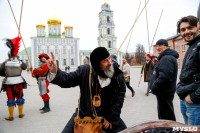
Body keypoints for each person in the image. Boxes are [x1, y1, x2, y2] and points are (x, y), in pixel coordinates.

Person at [46, 47, 127, 133]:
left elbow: (120, 96)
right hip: (84, 114)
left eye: (109, 59)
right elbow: (67, 80)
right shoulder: (84, 71)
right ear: (97, 64)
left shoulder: (117, 74)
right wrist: (55, 71)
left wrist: (111, 117)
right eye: (105, 61)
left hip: (108, 115)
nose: (109, 63)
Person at [176, 15, 200, 125]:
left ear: (198, 27)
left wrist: (194, 97)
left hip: (195, 102)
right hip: (186, 99)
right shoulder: (191, 46)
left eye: (190, 28)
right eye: (183, 29)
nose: (187, 32)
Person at [149, 39, 179, 121]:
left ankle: (169, 130)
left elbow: (164, 77)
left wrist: (154, 88)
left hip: (164, 93)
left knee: (166, 117)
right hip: (163, 93)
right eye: (157, 46)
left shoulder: (166, 58)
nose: (158, 47)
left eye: (160, 45)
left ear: (166, 46)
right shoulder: (164, 57)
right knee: (165, 115)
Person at [0, 36, 27, 121]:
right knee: (19, 97)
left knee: (10, 98)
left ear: (9, 54)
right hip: (19, 82)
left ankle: (11, 116)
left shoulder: (5, 62)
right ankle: (20, 114)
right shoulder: (20, 62)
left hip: (8, 82)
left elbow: (0, 71)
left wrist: (6, 75)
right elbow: (25, 67)